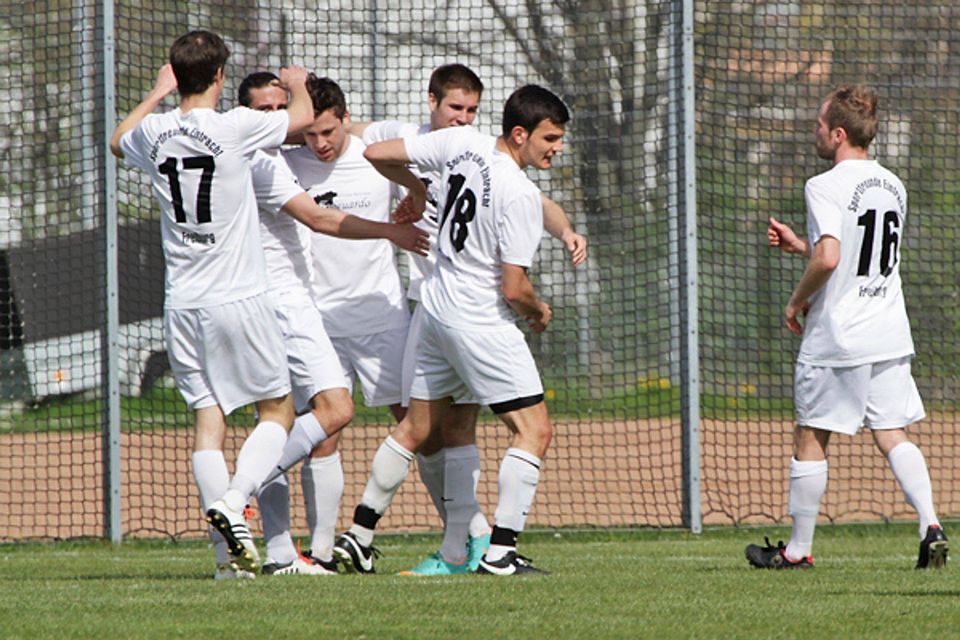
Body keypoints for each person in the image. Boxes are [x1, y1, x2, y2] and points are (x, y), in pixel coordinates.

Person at [350, 64, 587, 575]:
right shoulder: (519, 193)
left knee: (429, 427)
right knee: (534, 431)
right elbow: (514, 288)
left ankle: (363, 534)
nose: (557, 148)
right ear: (520, 134)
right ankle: (500, 553)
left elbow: (374, 152)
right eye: (551, 138)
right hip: (479, 320)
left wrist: (418, 189)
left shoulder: (463, 143)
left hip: (434, 309)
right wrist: (540, 311)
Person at [109, 30, 313, 578]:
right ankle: (235, 498)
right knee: (278, 408)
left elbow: (116, 139)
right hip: (238, 296)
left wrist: (155, 94)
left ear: (176, 76)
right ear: (221, 76)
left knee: (208, 418)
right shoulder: (235, 126)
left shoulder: (154, 131)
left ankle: (228, 565)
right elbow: (301, 119)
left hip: (183, 302)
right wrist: (296, 84)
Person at [746, 84, 947, 570]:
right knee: (891, 432)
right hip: (889, 329)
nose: (814, 131)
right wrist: (803, 246)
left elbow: (833, 258)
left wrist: (796, 302)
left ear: (838, 134)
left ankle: (796, 551)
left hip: (841, 333)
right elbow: (858, 255)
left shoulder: (824, 184)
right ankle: (931, 525)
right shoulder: (893, 183)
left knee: (811, 435)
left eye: (819, 125)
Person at [236, 71, 429, 576]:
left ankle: (458, 537)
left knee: (417, 426)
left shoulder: (373, 150)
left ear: (345, 120)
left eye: (329, 132)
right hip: (314, 317)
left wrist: (418, 192)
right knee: (323, 429)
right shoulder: (279, 159)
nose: (319, 144)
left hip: (382, 317)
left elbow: (429, 142)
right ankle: (319, 553)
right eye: (310, 134)